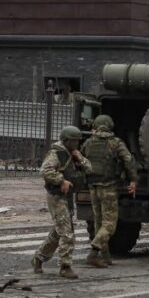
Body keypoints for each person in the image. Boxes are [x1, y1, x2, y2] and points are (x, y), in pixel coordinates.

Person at [32, 126, 91, 279]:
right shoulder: (56, 153)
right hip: (57, 196)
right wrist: (61, 180)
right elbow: (45, 171)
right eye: (74, 141)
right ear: (66, 140)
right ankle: (65, 266)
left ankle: (39, 258)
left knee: (58, 233)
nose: (77, 143)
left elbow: (90, 169)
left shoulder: (72, 154)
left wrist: (80, 158)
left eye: (78, 141)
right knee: (67, 233)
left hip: (68, 197)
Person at [82, 114, 138, 268]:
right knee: (109, 225)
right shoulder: (115, 143)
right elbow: (128, 160)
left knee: (99, 222)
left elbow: (81, 160)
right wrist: (132, 180)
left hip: (93, 187)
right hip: (109, 187)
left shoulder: (88, 143)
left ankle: (106, 257)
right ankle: (93, 253)